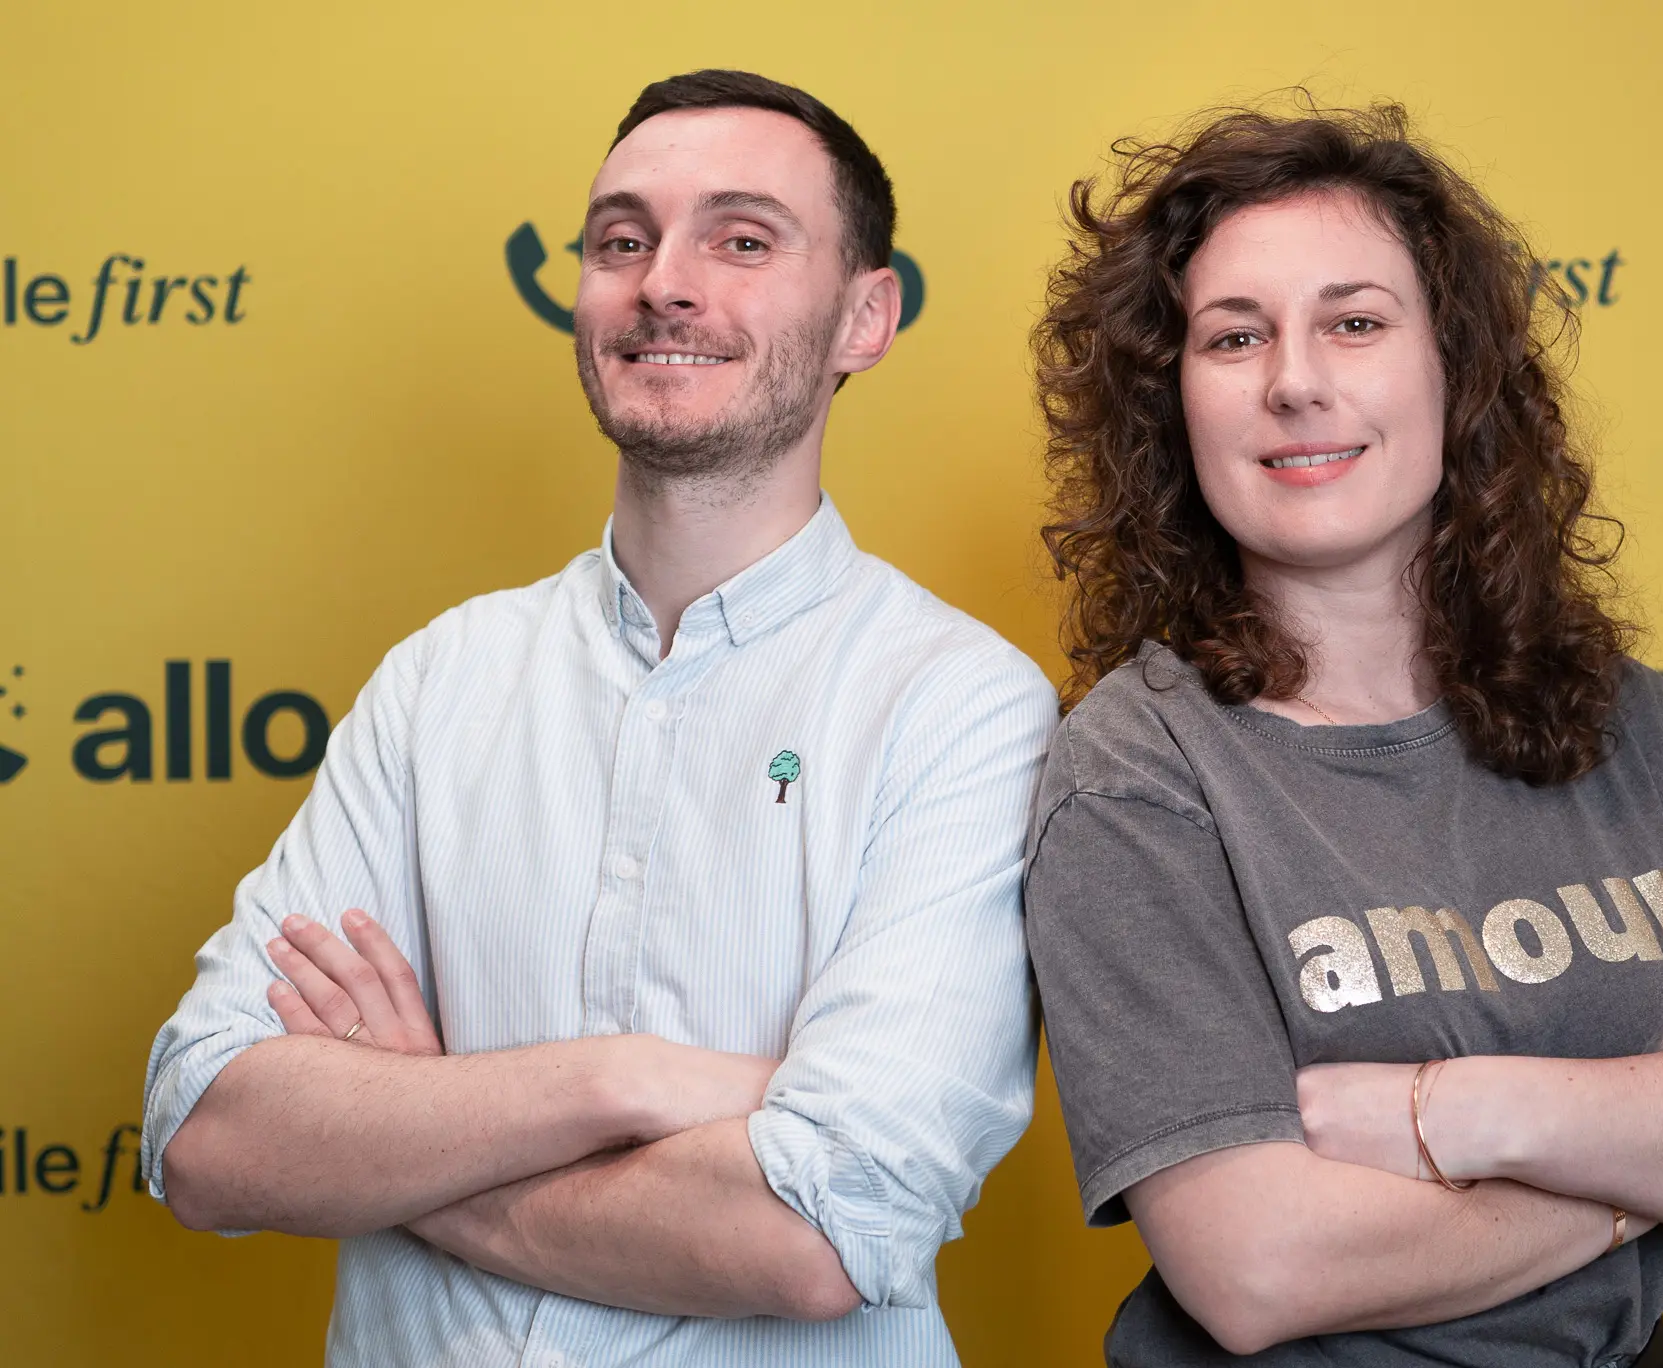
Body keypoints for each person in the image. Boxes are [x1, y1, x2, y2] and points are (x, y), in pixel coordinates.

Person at [142, 69, 1057, 1367]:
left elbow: (820, 1232)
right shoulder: (440, 679)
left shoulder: (961, 707)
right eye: (621, 241)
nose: (662, 284)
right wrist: (620, 1078)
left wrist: (411, 1133)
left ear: (866, 317)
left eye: (742, 242)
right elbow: (206, 1137)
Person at [1023, 101, 1663, 1367]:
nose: (1293, 381)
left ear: (1454, 370)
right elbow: (1256, 1268)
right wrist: (1660, 1144)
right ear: (1172, 406)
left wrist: (1461, 1113)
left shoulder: (1619, 716)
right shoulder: (1137, 770)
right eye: (1233, 337)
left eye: (1354, 322)